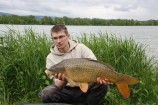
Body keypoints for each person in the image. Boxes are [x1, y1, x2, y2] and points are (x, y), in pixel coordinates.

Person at [40, 24, 109, 105]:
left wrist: (99, 77)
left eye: (61, 37)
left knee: (102, 85)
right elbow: (58, 85)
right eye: (55, 38)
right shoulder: (50, 58)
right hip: (65, 90)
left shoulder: (81, 48)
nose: (58, 41)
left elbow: (95, 65)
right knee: (46, 93)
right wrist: (65, 79)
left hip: (86, 87)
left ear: (68, 36)